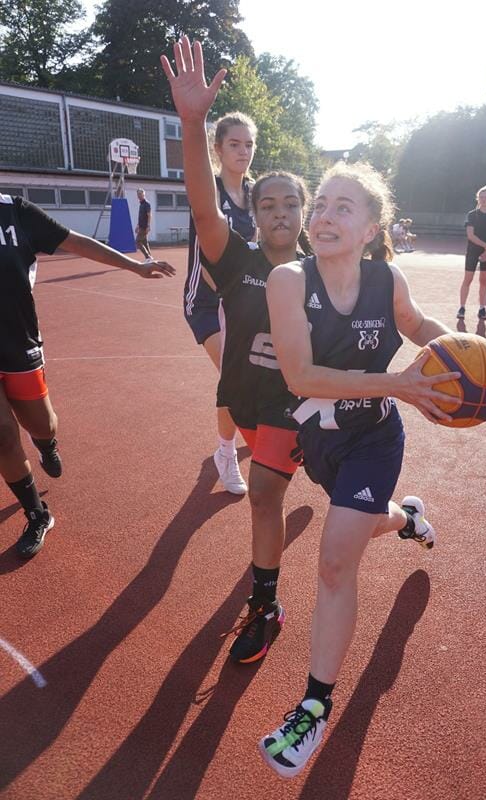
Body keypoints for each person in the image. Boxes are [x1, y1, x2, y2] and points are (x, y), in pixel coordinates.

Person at [261, 161, 460, 777]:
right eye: (321, 204)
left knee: (334, 562)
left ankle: (314, 706)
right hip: (321, 440)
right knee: (367, 521)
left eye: (342, 208)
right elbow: (301, 376)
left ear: (372, 229)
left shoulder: (386, 278)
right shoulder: (288, 280)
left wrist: (465, 353)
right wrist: (397, 383)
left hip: (374, 439)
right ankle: (406, 520)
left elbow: (417, 326)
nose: (323, 216)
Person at [162, 36, 315, 665]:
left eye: (291, 203)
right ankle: (270, 598)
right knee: (271, 496)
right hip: (252, 402)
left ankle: (266, 603)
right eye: (267, 204)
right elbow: (204, 211)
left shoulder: (323, 274)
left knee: (277, 498)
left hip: (306, 410)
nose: (279, 212)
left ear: (305, 212)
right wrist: (192, 124)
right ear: (252, 212)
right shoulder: (237, 260)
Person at [0, 192, 175, 558]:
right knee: (2, 437)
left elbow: (76, 242)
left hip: (18, 342)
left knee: (42, 424)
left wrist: (135, 266)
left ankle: (46, 443)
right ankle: (38, 514)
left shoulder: (15, 211)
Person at [183, 111, 257, 495]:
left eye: (249, 144)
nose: (243, 151)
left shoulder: (258, 194)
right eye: (234, 144)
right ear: (218, 149)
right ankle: (225, 453)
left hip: (244, 303)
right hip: (207, 301)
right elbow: (210, 258)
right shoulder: (207, 191)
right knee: (235, 377)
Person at [457, 186, 486, 321]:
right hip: (473, 251)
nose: (483, 200)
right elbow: (470, 235)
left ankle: (482, 308)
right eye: (481, 197)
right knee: (468, 279)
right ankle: (462, 307)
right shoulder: (472, 215)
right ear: (478, 198)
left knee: (483, 280)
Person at [135, 188, 153, 260]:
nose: (139, 195)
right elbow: (141, 217)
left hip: (144, 227)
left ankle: (148, 257)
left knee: (138, 241)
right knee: (144, 242)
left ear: (143, 194)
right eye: (138, 194)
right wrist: (137, 225)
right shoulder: (141, 204)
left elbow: (149, 215)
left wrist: (148, 226)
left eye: (140, 194)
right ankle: (150, 258)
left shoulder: (147, 204)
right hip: (141, 226)